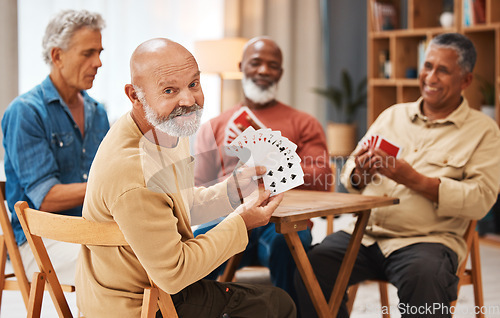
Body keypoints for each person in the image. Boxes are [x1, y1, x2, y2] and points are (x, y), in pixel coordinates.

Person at [75, 37, 296, 318]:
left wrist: (231, 191)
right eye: (170, 90)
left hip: (149, 286)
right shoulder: (135, 171)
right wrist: (241, 222)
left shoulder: (164, 127)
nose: (189, 100)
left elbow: (177, 205)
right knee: (277, 305)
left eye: (193, 84)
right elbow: (175, 273)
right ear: (135, 96)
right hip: (140, 305)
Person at [294, 33, 500, 318]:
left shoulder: (484, 131)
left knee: (425, 279)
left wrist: (413, 179)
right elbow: (350, 178)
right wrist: (361, 174)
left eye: (443, 70)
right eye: (428, 66)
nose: (430, 77)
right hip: (364, 236)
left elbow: (481, 200)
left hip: (427, 241)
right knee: (311, 266)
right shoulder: (392, 116)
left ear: (465, 80)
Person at [193, 36, 332, 300]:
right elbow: (199, 189)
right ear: (241, 66)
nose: (264, 71)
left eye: (273, 65)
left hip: (284, 222)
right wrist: (233, 182)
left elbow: (323, 177)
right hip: (231, 219)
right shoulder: (214, 126)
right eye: (256, 63)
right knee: (193, 247)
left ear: (280, 72)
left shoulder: (304, 122)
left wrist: (276, 162)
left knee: (288, 246)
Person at [1, 9, 109, 285]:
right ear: (57, 56)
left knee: (157, 252)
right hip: (38, 240)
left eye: (100, 52)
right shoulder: (25, 112)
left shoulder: (97, 112)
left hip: (90, 231)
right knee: (119, 267)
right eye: (88, 53)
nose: (98, 62)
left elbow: (112, 172)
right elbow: (46, 197)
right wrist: (111, 187)